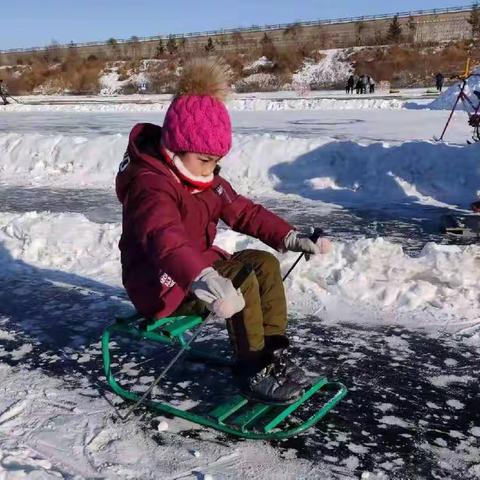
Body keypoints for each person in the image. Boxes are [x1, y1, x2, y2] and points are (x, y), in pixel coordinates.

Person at [116, 59, 332, 405]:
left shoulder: (205, 180)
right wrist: (202, 277)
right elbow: (163, 236)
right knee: (242, 277)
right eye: (205, 160)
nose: (213, 169)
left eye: (217, 161)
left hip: (196, 270)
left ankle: (271, 352)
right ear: (176, 147)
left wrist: (289, 236)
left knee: (262, 261)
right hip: (161, 283)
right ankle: (253, 368)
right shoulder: (151, 185)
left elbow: (244, 211)